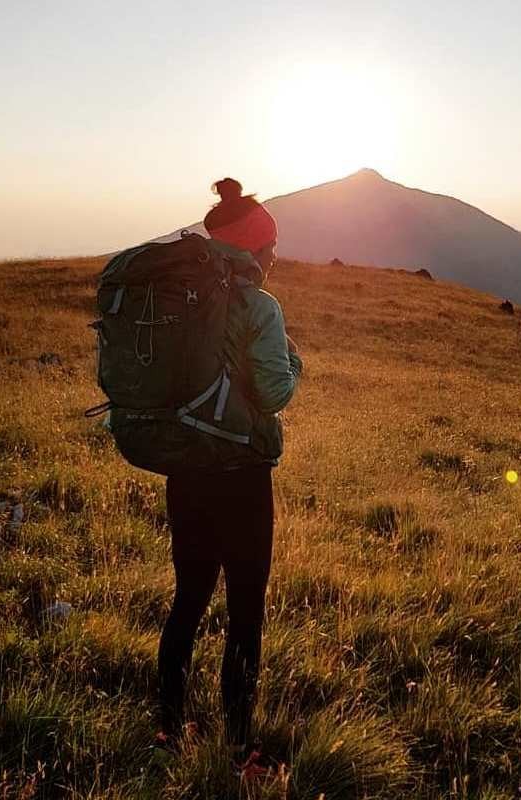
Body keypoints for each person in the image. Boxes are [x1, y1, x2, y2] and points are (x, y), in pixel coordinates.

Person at [154, 178, 302, 780]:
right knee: (245, 608)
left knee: (188, 596)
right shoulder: (258, 307)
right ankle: (241, 749)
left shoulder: (177, 296)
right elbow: (272, 392)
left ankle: (167, 725)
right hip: (241, 475)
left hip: (185, 469)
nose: (276, 255)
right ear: (253, 248)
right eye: (271, 244)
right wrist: (293, 363)